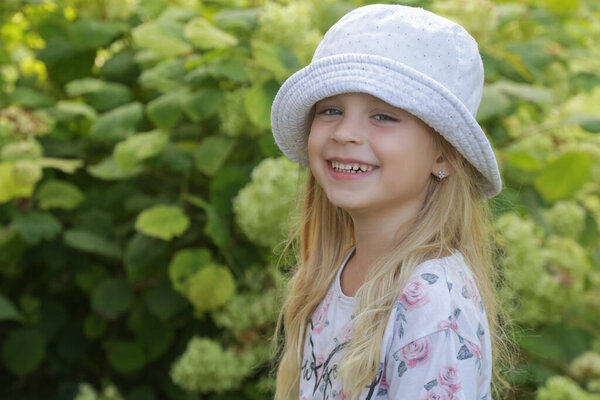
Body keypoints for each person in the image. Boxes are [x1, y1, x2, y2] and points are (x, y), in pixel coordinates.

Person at [269, 4, 509, 400]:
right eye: (331, 110)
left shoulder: (431, 299)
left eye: (383, 116)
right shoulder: (336, 270)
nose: (345, 132)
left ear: (444, 156)